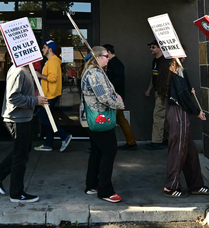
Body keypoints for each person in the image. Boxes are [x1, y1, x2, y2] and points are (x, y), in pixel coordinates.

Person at [0, 62, 48, 203]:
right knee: (20, 155)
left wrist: (34, 96)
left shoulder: (24, 69)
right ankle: (16, 193)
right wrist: (35, 100)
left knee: (23, 150)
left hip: (23, 117)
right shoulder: (18, 70)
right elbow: (13, 97)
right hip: (17, 119)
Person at [157, 58, 209, 198]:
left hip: (173, 110)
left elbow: (179, 91)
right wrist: (196, 111)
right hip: (179, 112)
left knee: (189, 151)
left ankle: (196, 185)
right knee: (178, 149)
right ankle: (171, 187)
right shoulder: (178, 70)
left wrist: (188, 91)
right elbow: (182, 94)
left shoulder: (166, 69)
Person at [82, 46, 126, 203]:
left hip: (94, 118)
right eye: (106, 56)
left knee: (97, 151)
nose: (108, 59)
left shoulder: (93, 71)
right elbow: (103, 97)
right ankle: (105, 190)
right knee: (109, 150)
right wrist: (119, 104)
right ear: (98, 57)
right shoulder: (95, 73)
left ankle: (92, 185)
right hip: (100, 118)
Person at [34, 40, 73, 152]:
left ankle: (64, 136)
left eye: (44, 47)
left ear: (50, 49)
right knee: (48, 119)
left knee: (45, 119)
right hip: (49, 94)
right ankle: (48, 144)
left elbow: (53, 78)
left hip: (49, 95)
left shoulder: (52, 62)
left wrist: (40, 75)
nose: (42, 49)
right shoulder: (52, 61)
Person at [103, 44, 136, 150]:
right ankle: (131, 142)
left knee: (117, 119)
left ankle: (130, 142)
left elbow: (119, 79)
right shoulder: (113, 63)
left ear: (108, 52)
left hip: (116, 96)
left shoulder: (116, 64)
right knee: (119, 119)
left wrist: (109, 87)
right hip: (115, 96)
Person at [145, 40, 168, 150]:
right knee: (162, 115)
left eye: (153, 47)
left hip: (163, 92)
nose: (151, 49)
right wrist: (149, 88)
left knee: (158, 115)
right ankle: (165, 138)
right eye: (151, 47)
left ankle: (157, 141)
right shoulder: (155, 60)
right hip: (157, 91)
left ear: (160, 48)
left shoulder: (165, 61)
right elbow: (153, 75)